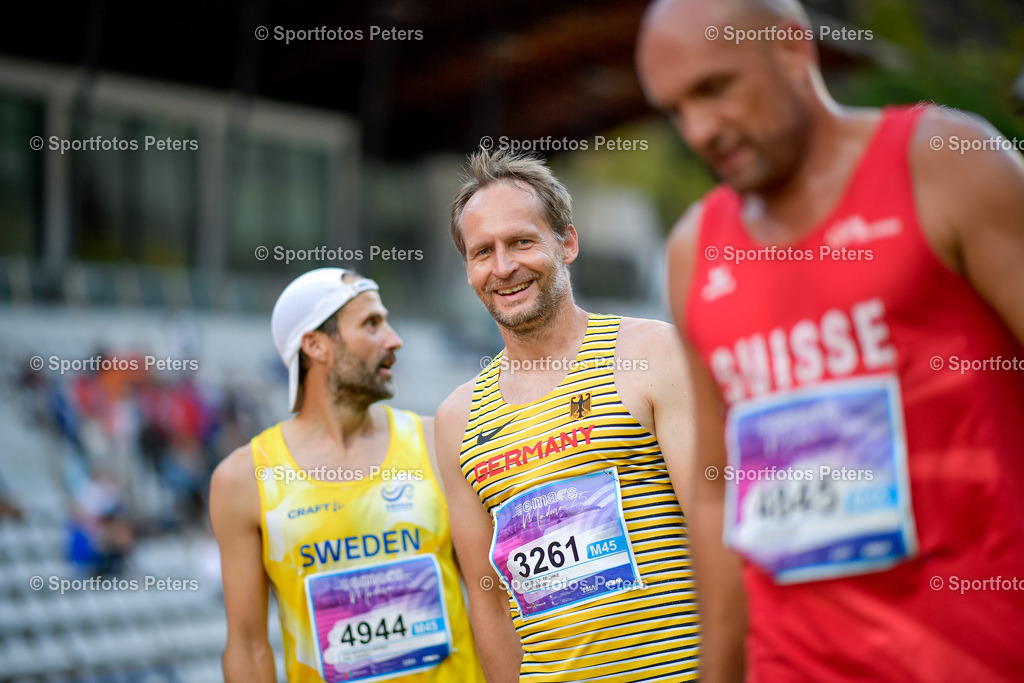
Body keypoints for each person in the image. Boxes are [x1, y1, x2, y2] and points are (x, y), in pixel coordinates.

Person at [636, 1, 1024, 680]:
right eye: (675, 109)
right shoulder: (695, 251)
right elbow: (715, 490)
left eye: (715, 88)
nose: (699, 129)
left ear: (790, 48)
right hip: (797, 661)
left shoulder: (945, 164)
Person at [434, 149, 700, 682]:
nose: (503, 267)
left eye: (522, 242)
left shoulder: (652, 353)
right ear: (468, 270)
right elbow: (488, 606)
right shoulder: (455, 419)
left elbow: (715, 534)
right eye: (483, 251)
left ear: (567, 243)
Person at [209, 268, 484, 683]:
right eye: (372, 324)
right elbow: (248, 646)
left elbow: (491, 599)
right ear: (316, 345)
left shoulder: (436, 440)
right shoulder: (243, 478)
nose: (394, 340)